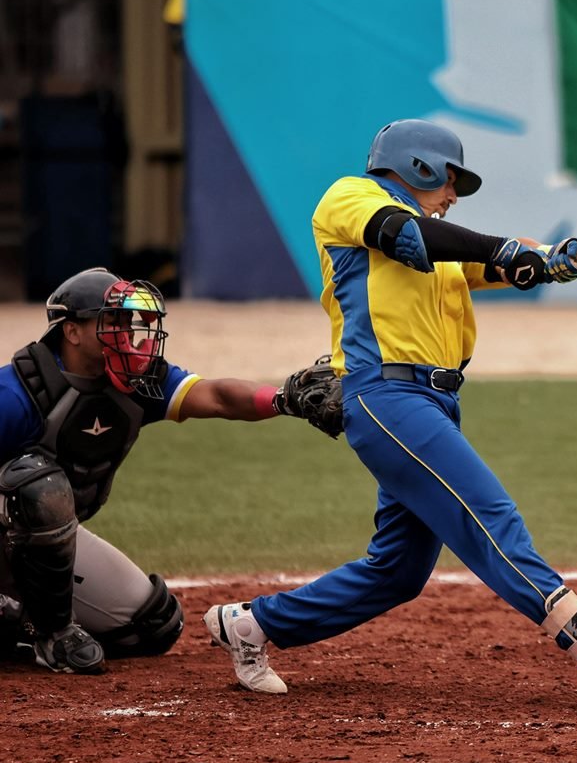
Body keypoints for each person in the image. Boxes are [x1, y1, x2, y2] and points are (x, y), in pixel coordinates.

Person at [206, 119, 577, 707]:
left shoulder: (437, 243)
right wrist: (503, 249)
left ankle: (252, 625)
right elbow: (406, 235)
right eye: (451, 181)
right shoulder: (352, 198)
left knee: (398, 570)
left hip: (433, 403)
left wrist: (542, 260)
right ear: (420, 166)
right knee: (489, 517)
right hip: (389, 399)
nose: (453, 196)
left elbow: (481, 265)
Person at [0, 268, 339, 674]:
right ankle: (53, 636)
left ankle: (14, 627)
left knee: (151, 626)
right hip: (11, 524)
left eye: (129, 322)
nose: (127, 333)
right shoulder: (18, 392)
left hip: (40, 539)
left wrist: (283, 399)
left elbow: (215, 397)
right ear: (72, 332)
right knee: (38, 489)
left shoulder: (136, 380)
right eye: (112, 322)